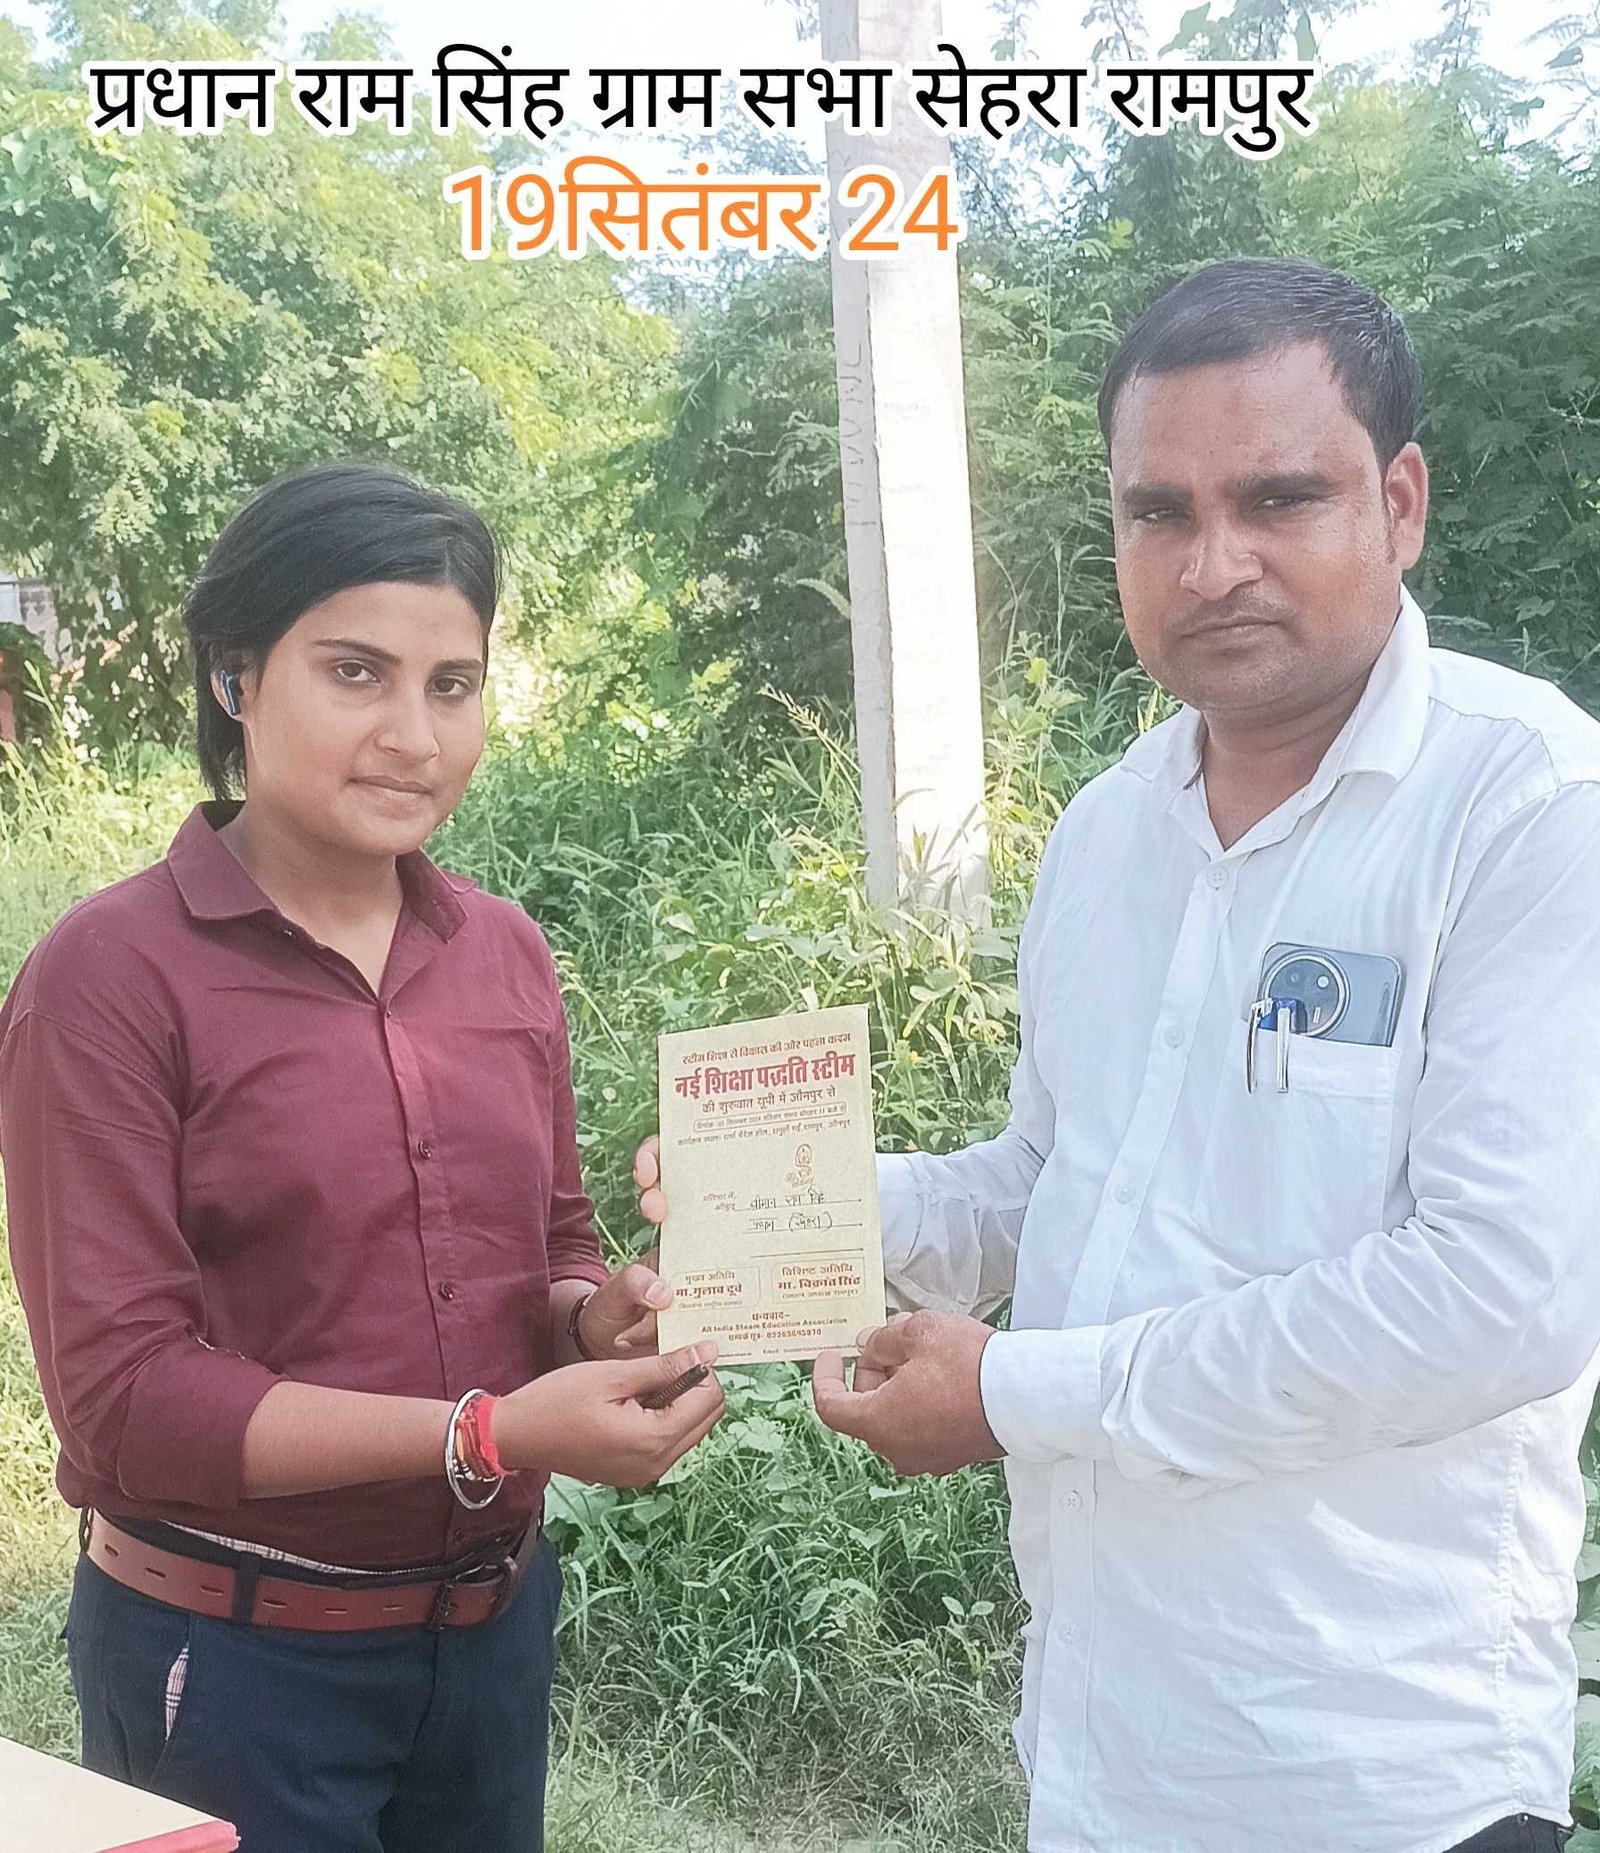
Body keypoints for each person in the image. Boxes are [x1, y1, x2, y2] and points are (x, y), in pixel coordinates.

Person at [638, 259, 1600, 1853]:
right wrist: (780, 1210)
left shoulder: (1530, 808)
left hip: (1385, 1772)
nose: (1214, 564)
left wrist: (1014, 1391)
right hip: (1107, 1749)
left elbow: (1497, 1296)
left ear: (1401, 501)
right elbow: (1058, 1176)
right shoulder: (1107, 831)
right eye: (1161, 512)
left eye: (1279, 498)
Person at [0, 463, 724, 1853]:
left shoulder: (503, 954)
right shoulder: (108, 979)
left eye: (453, 685)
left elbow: (552, 1242)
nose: (413, 736)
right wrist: (493, 1433)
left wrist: (600, 1317)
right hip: (231, 1664)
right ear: (235, 678)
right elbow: (123, 1400)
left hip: (488, 1639)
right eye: (355, 673)